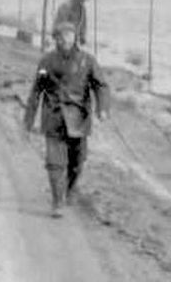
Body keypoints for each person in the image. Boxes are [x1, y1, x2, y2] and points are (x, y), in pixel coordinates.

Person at [23, 21, 110, 218]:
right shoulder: (46, 61)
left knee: (77, 162)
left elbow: (101, 86)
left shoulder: (87, 61)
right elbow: (37, 90)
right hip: (53, 116)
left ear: (74, 39)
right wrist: (28, 120)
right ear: (55, 39)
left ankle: (69, 190)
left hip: (79, 118)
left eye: (67, 38)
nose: (63, 42)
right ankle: (57, 201)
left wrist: (103, 109)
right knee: (55, 163)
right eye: (59, 38)